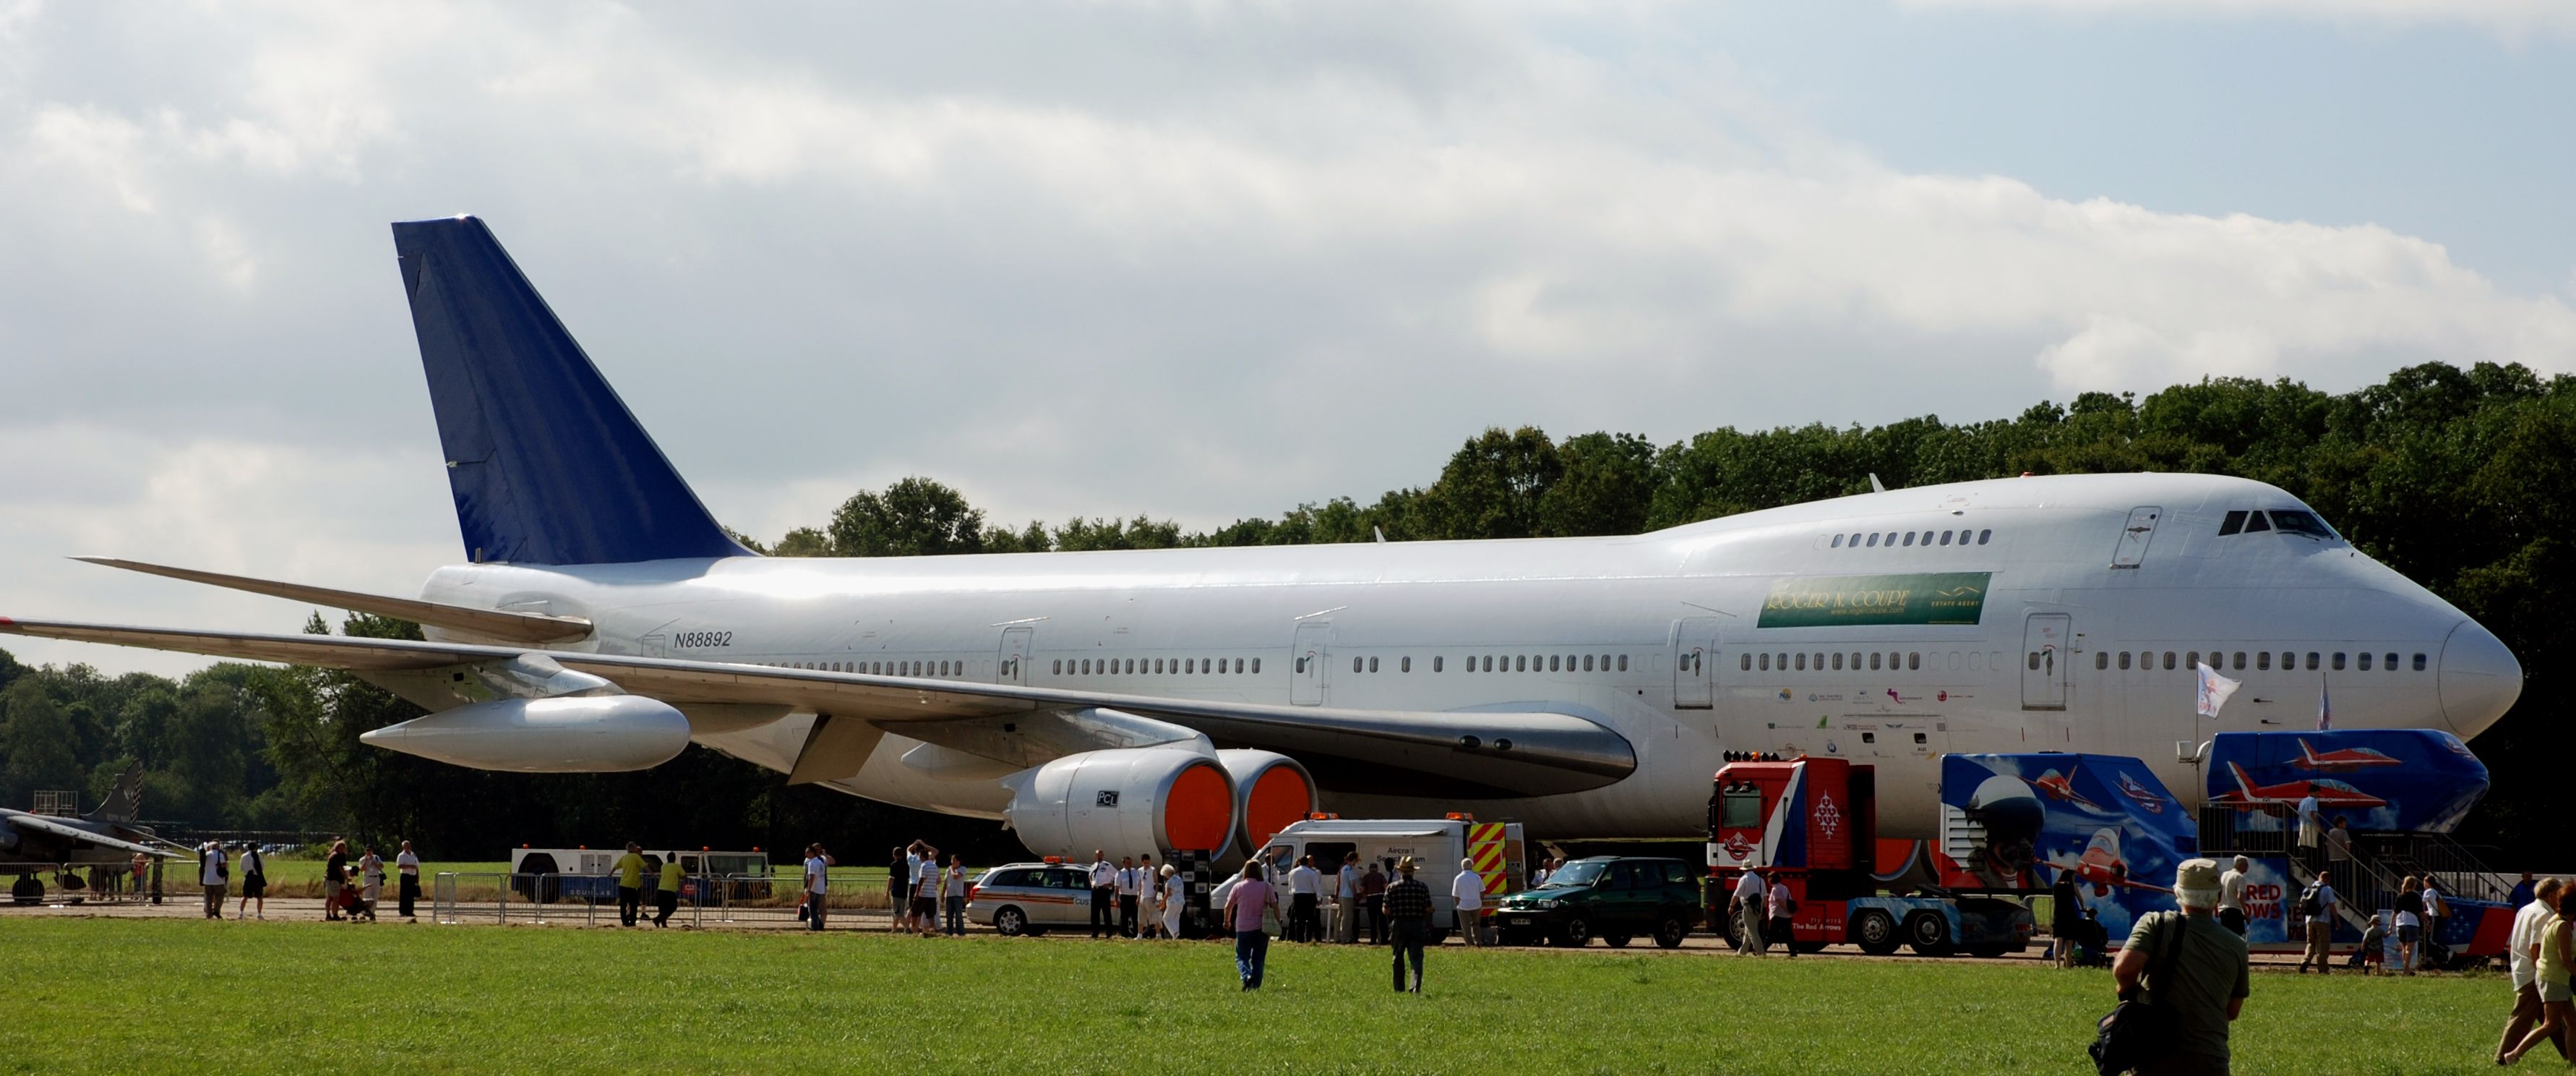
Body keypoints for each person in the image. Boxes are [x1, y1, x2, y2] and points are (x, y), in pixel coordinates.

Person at [2113, 858, 2250, 1076]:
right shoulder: (2237, 946)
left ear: (2176, 893)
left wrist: (2133, 994)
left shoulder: (2155, 923)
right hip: (2209, 1059)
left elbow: (2124, 970)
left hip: (2153, 1056)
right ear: (2219, 897)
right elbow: (2232, 1012)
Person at [2503, 886, 2575, 1066]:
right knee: (2551, 1024)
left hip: (2558, 979)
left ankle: (2574, 1062)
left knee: (2573, 1023)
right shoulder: (2562, 927)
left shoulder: (2555, 921)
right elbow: (2565, 960)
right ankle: (2513, 1054)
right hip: (2553, 979)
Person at [1222, 861, 1279, 991]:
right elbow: (1275, 906)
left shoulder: (1238, 887)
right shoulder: (1266, 886)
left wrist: (1227, 921)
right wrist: (1277, 920)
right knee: (1258, 959)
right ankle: (1255, 986)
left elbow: (1228, 906)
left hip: (1243, 927)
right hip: (1262, 928)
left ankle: (1246, 975)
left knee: (1241, 956)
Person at [1387, 856, 1433, 992]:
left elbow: (1386, 909)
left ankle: (1399, 988)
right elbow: (1429, 908)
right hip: (1417, 925)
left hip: (1399, 925)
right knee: (1416, 958)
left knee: (1398, 958)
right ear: (1413, 871)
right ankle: (1414, 988)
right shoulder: (1422, 887)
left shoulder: (1392, 887)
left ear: (1400, 871)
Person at [2294, 872, 2336, 974]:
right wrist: (2337, 921)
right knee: (2323, 945)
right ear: (2327, 879)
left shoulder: (2308, 888)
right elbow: (2332, 905)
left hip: (2309, 920)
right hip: (2323, 920)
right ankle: (2322, 969)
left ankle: (2305, 961)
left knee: (2311, 943)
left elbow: (2301, 906)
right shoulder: (2327, 889)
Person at [2392, 874, 2425, 975]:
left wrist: (2391, 925)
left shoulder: (2400, 896)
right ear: (2414, 884)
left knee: (2404, 947)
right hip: (2412, 922)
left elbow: (2395, 911)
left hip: (2400, 923)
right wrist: (2427, 922)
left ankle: (2407, 969)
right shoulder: (2416, 896)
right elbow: (2421, 912)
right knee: (2409, 949)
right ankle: (2406, 970)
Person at [1287, 855, 1323, 943]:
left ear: (1299, 862)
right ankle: (1308, 938)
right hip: (1310, 897)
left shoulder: (1292, 872)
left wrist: (1292, 895)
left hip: (1298, 896)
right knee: (1310, 919)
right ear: (1307, 863)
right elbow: (1316, 886)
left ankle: (1300, 939)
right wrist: (1319, 897)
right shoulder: (1312, 873)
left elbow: (1290, 887)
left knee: (1299, 919)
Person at [608, 842, 646, 927]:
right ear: (633, 848)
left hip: (623, 884)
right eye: (636, 847)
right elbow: (645, 866)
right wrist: (653, 874)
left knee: (623, 905)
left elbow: (615, 867)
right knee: (634, 905)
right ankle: (632, 922)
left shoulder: (624, 857)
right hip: (632, 885)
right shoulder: (636, 857)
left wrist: (610, 874)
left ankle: (625, 922)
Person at [1731, 868, 1768, 955]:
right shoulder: (1760, 880)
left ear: (1744, 870)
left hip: (1749, 907)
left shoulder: (1744, 879)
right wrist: (1764, 909)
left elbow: (1737, 894)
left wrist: (1731, 906)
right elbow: (1765, 896)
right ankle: (1742, 952)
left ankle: (1761, 952)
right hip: (1759, 907)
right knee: (1748, 931)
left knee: (1752, 931)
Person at [2051, 868, 2082, 968]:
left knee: (2058, 940)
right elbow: (2080, 898)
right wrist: (2083, 907)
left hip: (2059, 915)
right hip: (2070, 916)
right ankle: (2068, 965)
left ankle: (2057, 965)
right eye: (2074, 876)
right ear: (2070, 876)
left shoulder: (2055, 885)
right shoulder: (2071, 886)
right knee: (2069, 944)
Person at [1451, 857, 1485, 947]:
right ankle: (1479, 942)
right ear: (1471, 866)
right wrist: (1480, 900)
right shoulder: (1477, 877)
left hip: (1464, 906)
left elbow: (1455, 895)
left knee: (1466, 926)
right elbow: (1482, 891)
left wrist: (1459, 904)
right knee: (1476, 924)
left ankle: (1469, 944)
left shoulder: (1458, 878)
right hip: (1476, 905)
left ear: (1462, 866)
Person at [910, 843, 941, 936]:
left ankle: (914, 931)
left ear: (923, 856)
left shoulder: (924, 866)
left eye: (920, 857)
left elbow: (921, 880)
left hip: (923, 894)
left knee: (915, 912)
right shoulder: (935, 867)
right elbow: (937, 880)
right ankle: (932, 931)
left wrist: (917, 893)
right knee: (930, 915)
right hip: (932, 894)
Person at [2217, 856, 2250, 936]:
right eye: (2246, 865)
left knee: (2226, 937)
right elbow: (2240, 897)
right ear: (2241, 865)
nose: (2248, 867)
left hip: (2223, 911)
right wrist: (2246, 914)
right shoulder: (2240, 877)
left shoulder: (2224, 875)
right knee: (2238, 937)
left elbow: (2219, 892)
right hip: (2234, 912)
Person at [1766, 870, 1796, 957]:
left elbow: (1781, 901)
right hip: (1786, 916)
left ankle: (1762, 950)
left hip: (1778, 915)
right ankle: (1793, 952)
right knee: (1788, 934)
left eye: (1769, 878)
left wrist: (1787, 911)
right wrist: (1789, 913)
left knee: (1771, 934)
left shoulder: (1775, 889)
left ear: (1772, 879)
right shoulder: (1784, 888)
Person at [235, 842, 267, 921]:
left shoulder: (243, 856)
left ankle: (241, 913)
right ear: (255, 848)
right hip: (256, 878)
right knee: (259, 897)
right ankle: (259, 914)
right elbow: (263, 867)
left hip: (248, 877)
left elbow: (241, 868)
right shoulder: (258, 856)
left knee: (245, 896)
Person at [1089, 850, 1117, 939]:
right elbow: (1090, 876)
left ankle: (1109, 933)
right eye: (1098, 855)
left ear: (1103, 856)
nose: (1100, 857)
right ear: (1095, 856)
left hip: (1104, 891)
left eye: (1101, 855)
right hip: (1095, 891)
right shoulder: (1093, 866)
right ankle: (1095, 933)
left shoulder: (1107, 866)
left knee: (1106, 913)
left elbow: (1117, 875)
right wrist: (1092, 884)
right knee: (1094, 913)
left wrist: (1110, 885)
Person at [1335, 852, 1362, 944]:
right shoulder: (1350, 870)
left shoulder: (1343, 868)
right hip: (1348, 896)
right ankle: (1345, 937)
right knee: (1348, 918)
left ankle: (1338, 936)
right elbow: (1352, 884)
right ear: (1353, 860)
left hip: (1342, 895)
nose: (1356, 863)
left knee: (1341, 916)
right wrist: (1356, 895)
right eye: (1356, 861)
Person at [802, 843, 829, 931]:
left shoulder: (811, 863)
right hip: (821, 890)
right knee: (818, 910)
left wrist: (809, 890)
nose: (806, 855)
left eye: (807, 853)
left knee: (812, 910)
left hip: (814, 890)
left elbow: (811, 877)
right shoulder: (821, 862)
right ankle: (820, 926)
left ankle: (816, 927)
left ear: (811, 853)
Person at [1361, 861, 1388, 946]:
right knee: (1382, 920)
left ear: (1369, 869)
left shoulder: (1366, 876)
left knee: (1372, 921)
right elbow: (1386, 886)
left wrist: (1364, 895)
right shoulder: (1380, 875)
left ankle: (1373, 940)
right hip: (1380, 898)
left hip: (1371, 898)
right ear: (1377, 869)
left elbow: (1362, 888)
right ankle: (1384, 940)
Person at [198, 841, 227, 919]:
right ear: (218, 847)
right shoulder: (219, 854)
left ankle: (209, 914)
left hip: (207, 880)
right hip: (218, 880)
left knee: (208, 897)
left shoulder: (206, 855)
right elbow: (223, 865)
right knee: (220, 895)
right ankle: (216, 910)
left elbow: (201, 865)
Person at [653, 853, 682, 928]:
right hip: (670, 889)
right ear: (675, 859)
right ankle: (658, 919)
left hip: (661, 888)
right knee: (673, 906)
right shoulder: (677, 866)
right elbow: (684, 875)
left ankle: (663, 923)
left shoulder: (663, 866)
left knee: (663, 908)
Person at [2295, 791, 2322, 871]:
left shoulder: (2303, 801)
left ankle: (2307, 866)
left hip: (2303, 824)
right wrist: (2319, 826)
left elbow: (2299, 813)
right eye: (2317, 793)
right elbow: (2312, 814)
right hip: (2311, 825)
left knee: (2306, 847)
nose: (2318, 795)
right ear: (2313, 792)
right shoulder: (2313, 800)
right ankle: (2313, 868)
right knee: (2313, 847)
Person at [323, 840, 350, 921]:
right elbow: (341, 868)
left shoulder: (333, 855)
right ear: (337, 847)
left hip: (328, 878)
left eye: (343, 848)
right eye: (340, 848)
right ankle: (335, 915)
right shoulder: (338, 856)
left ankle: (328, 915)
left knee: (329, 898)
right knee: (336, 898)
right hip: (334, 879)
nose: (342, 849)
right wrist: (346, 877)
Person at [1117, 855, 1142, 939]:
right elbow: (1117, 887)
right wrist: (1116, 900)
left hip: (1134, 897)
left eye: (1130, 863)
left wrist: (1139, 896)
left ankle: (1136, 934)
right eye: (1127, 863)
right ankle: (1124, 934)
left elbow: (1140, 885)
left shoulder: (1135, 872)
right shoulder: (1120, 873)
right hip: (1124, 897)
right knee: (1124, 916)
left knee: (1135, 916)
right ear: (1124, 863)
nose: (1129, 864)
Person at [395, 840, 422, 918]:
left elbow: (417, 866)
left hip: (413, 876)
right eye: (407, 846)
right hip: (405, 876)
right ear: (403, 847)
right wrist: (410, 866)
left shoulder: (413, 854)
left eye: (409, 845)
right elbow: (399, 866)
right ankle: (403, 911)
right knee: (404, 894)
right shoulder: (401, 855)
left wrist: (417, 877)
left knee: (411, 895)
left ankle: (410, 911)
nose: (409, 847)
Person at [887, 845, 910, 932]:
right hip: (904, 892)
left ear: (894, 855)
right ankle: (894, 930)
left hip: (896, 892)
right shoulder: (906, 865)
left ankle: (907, 928)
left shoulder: (894, 865)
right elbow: (908, 879)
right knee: (899, 912)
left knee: (897, 913)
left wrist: (887, 891)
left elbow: (891, 879)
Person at [1135, 853, 1159, 939]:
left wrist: (1155, 895)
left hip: (1150, 896)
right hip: (1142, 897)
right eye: (1145, 863)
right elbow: (1140, 884)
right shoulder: (1140, 870)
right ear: (1142, 862)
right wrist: (1138, 897)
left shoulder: (1153, 870)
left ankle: (1158, 934)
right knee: (1141, 917)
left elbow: (1156, 883)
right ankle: (1140, 934)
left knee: (1154, 916)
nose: (1147, 864)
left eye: (1148, 863)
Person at [944, 854, 967, 937]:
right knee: (949, 916)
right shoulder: (948, 870)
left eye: (954, 860)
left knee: (958, 915)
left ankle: (961, 933)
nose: (952, 862)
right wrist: (943, 894)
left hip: (958, 895)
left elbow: (956, 877)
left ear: (959, 861)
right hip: (949, 895)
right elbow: (946, 882)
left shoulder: (963, 869)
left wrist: (951, 869)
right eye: (952, 860)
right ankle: (949, 932)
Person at [1159, 864, 1184, 940]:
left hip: (1173, 902)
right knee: (1175, 918)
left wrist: (1163, 901)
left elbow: (1168, 893)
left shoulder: (1169, 882)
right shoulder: (1179, 879)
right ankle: (1176, 936)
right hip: (1181, 902)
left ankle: (1175, 933)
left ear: (1167, 873)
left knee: (1166, 918)